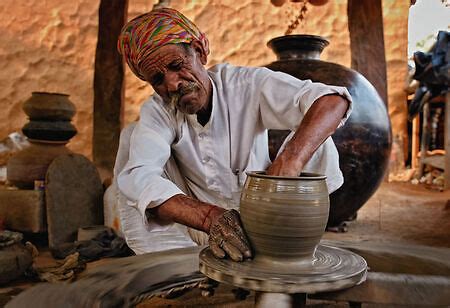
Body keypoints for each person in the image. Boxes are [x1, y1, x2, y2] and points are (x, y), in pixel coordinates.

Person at [115, 7, 352, 260]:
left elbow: (331, 100)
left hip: (268, 213)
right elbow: (139, 176)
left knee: (314, 130)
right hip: (202, 227)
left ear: (199, 51)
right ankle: (177, 273)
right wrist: (209, 217)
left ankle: (293, 245)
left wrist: (291, 159)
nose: (172, 84)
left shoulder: (245, 84)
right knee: (132, 143)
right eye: (158, 79)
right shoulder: (159, 111)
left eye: (176, 65)